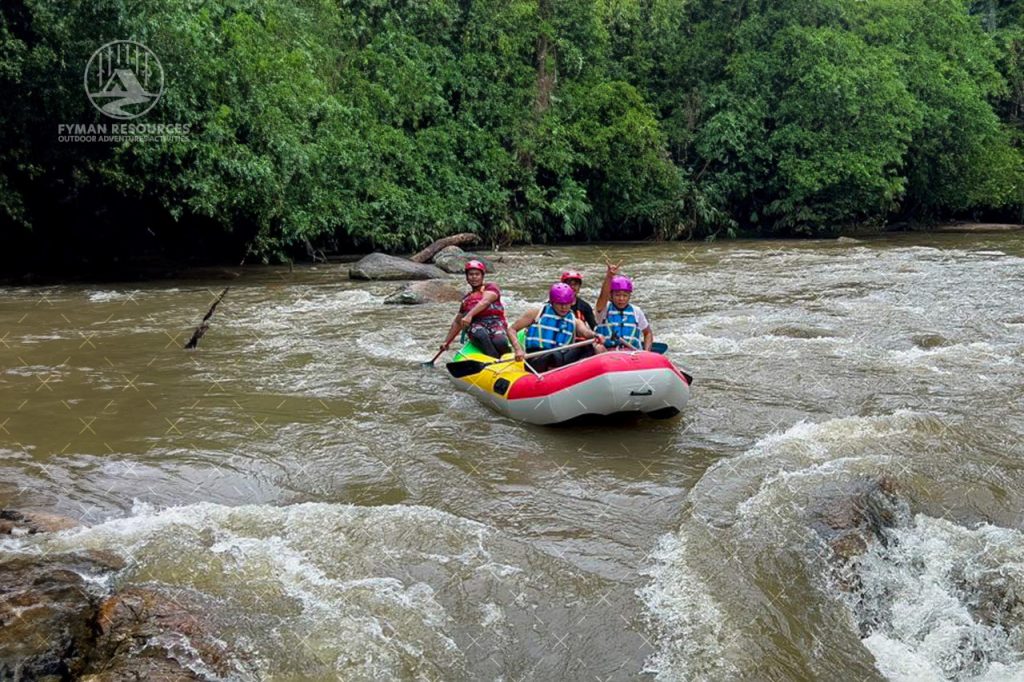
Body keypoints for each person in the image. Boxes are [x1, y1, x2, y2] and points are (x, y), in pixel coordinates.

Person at [507, 283, 602, 372]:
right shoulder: (537, 313)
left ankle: (579, 373)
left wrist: (595, 335)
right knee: (554, 356)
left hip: (560, 357)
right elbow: (511, 330)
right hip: (537, 358)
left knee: (589, 347)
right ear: (552, 302)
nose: (564, 307)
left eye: (567, 304)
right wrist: (518, 349)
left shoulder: (574, 320)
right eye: (560, 304)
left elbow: (585, 332)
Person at [440, 260, 522, 359]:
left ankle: (508, 357)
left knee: (500, 341)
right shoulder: (466, 299)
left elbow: (485, 301)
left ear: (482, 276)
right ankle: (494, 358)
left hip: (496, 322)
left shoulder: (491, 287)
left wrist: (469, 315)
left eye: (477, 274)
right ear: (467, 277)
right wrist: (446, 342)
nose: (474, 277)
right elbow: (457, 322)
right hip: (477, 325)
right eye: (471, 274)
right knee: (480, 334)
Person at [594, 263, 653, 352]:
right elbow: (603, 296)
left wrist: (647, 351)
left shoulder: (636, 311)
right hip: (609, 352)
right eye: (617, 295)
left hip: (632, 353)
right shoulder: (604, 309)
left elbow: (647, 333)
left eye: (625, 295)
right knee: (598, 347)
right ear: (611, 295)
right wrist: (609, 276)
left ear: (629, 296)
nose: (621, 299)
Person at [560, 270, 597, 338]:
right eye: (569, 284)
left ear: (579, 287)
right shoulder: (552, 305)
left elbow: (594, 327)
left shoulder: (585, 306)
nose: (572, 287)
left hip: (580, 341)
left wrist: (597, 335)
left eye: (575, 284)